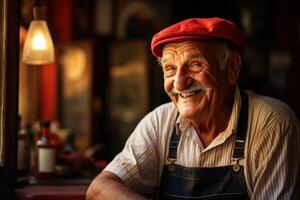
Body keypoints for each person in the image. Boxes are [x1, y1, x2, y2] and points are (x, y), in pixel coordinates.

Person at [86, 17, 300, 200]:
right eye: (170, 69)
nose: (179, 84)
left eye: (195, 65)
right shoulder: (160, 121)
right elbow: (99, 189)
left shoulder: (272, 122)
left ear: (232, 68)